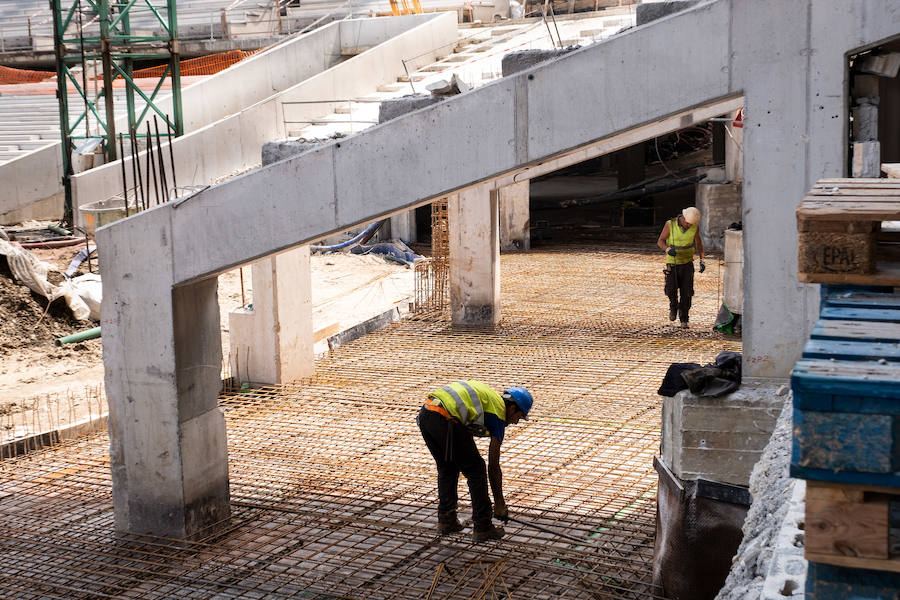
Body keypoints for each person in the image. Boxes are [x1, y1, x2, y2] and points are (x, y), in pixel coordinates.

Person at [417, 380, 533, 543]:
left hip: (427, 413)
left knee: (447, 467)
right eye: (518, 417)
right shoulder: (498, 413)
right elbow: (493, 465)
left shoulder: (490, 400)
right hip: (445, 418)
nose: (515, 422)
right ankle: (483, 526)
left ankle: (446, 520)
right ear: (512, 408)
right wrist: (499, 503)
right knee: (477, 470)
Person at [657, 206, 705, 328]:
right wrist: (667, 249)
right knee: (670, 289)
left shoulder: (694, 227)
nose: (689, 226)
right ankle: (673, 306)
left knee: (687, 292)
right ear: (683, 218)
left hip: (687, 263)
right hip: (672, 263)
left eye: (691, 224)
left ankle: (684, 319)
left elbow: (699, 244)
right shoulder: (670, 225)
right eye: (688, 223)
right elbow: (661, 241)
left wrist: (702, 260)